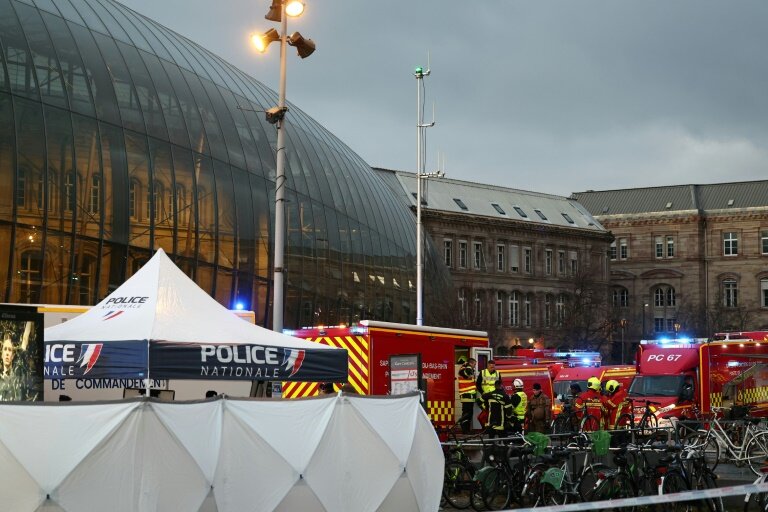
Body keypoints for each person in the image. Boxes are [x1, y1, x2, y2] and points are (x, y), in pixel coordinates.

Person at [0, 322, 34, 402]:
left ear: (13, 355)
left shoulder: (18, 372)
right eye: (5, 349)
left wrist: (31, 314)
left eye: (10, 350)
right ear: (1, 354)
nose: (7, 353)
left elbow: (25, 339)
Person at [457, 357, 477, 434]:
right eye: (474, 364)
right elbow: (466, 374)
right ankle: (465, 430)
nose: (474, 366)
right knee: (467, 413)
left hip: (469, 395)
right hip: (466, 395)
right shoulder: (466, 369)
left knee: (468, 413)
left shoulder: (464, 368)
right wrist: (468, 366)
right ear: (471, 363)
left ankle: (466, 429)